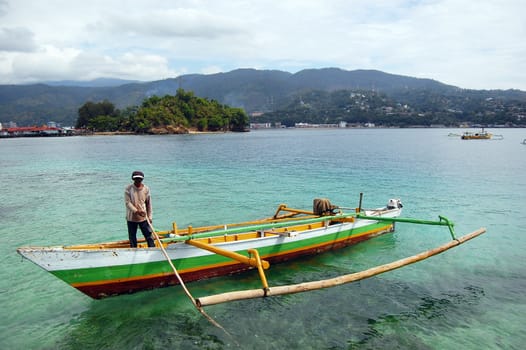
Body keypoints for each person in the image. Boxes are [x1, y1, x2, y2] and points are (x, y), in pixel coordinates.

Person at [125, 170, 155, 248]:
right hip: (131, 218)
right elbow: (128, 203)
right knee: (132, 238)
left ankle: (153, 249)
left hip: (144, 218)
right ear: (133, 179)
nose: (138, 180)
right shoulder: (128, 189)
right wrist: (137, 211)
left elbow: (148, 204)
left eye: (139, 179)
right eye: (136, 179)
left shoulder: (146, 189)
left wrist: (150, 216)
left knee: (148, 236)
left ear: (142, 179)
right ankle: (134, 250)